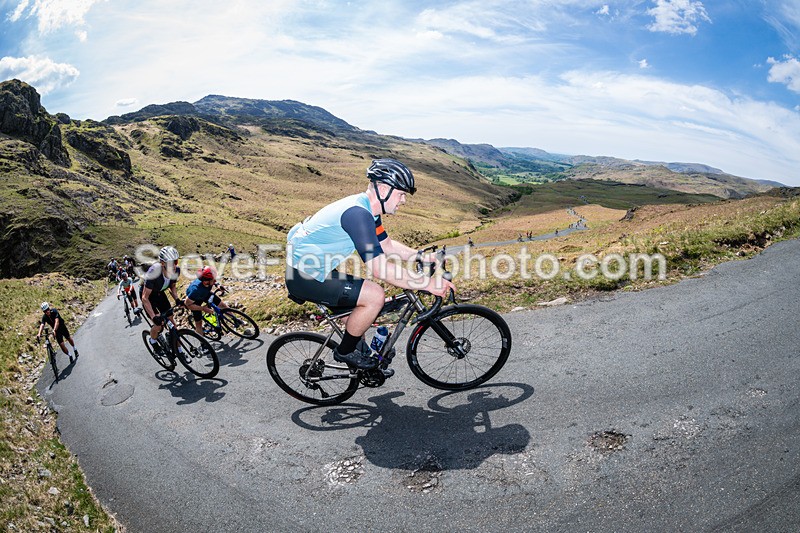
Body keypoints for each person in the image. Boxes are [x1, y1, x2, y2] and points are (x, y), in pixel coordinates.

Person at [285, 158, 455, 370]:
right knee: (374, 295)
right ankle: (344, 353)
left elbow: (388, 246)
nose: (403, 201)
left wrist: (422, 257)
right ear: (383, 189)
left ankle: (362, 357)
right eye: (401, 194)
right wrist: (427, 284)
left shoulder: (368, 210)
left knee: (356, 312)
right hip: (304, 277)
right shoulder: (357, 215)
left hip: (315, 268)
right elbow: (379, 268)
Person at [140, 246, 182, 355]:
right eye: (170, 262)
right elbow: (144, 298)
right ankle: (153, 341)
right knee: (159, 325)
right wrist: (154, 317)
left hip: (159, 293)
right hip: (148, 297)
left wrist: (177, 299)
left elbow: (172, 286)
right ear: (163, 263)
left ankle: (180, 351)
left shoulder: (176, 270)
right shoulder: (154, 272)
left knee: (172, 323)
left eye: (176, 261)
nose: (174, 265)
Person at [184, 266, 229, 336]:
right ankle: (203, 342)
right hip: (194, 302)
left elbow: (214, 282)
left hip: (205, 294)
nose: (215, 280)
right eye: (213, 279)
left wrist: (218, 286)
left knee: (222, 305)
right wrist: (203, 308)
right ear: (206, 281)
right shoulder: (195, 290)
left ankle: (236, 320)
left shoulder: (208, 281)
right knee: (198, 324)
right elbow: (187, 304)